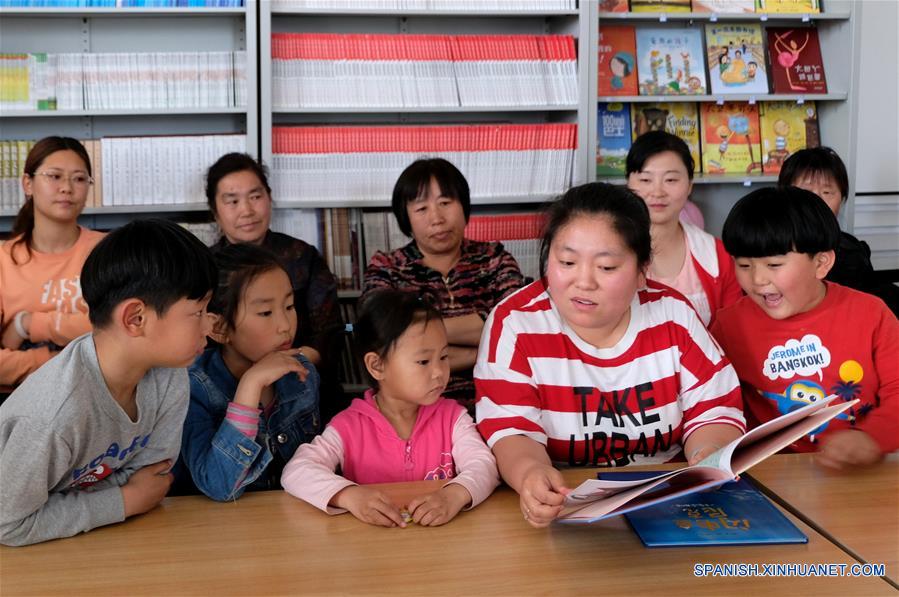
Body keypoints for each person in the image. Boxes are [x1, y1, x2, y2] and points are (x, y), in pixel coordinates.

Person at [475, 183, 745, 529]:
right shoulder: (515, 324)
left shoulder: (673, 315)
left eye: (606, 267)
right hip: (566, 504)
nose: (583, 281)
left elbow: (714, 410)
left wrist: (708, 457)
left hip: (671, 501)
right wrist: (531, 474)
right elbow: (512, 430)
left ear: (642, 268)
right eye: (567, 261)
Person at [0, 219, 217, 546]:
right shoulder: (54, 416)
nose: (210, 326)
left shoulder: (169, 373)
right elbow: (10, 523)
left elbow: (152, 478)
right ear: (136, 319)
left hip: (93, 541)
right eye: (198, 312)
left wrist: (99, 500)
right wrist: (124, 500)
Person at [711, 187, 898, 470]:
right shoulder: (728, 325)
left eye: (774, 264)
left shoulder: (872, 314)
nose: (758, 278)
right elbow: (713, 405)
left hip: (862, 471)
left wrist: (871, 439)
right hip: (772, 475)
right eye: (744, 264)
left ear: (821, 263)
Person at [282, 289, 499, 528]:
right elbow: (297, 471)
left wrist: (455, 494)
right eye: (424, 361)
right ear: (377, 366)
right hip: (373, 550)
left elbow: (484, 465)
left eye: (444, 356)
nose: (439, 372)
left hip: (440, 548)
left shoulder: (453, 418)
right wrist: (348, 496)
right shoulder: (349, 426)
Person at [362, 158, 525, 411]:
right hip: (415, 410)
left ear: (463, 206)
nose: (436, 218)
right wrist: (480, 352)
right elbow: (380, 337)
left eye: (445, 203)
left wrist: (418, 339)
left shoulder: (495, 259)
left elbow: (518, 330)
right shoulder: (387, 267)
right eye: (421, 209)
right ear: (406, 218)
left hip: (496, 402)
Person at [175, 243, 320, 500]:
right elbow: (219, 486)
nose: (285, 325)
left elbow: (314, 469)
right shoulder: (191, 387)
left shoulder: (302, 372)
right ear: (219, 328)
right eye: (265, 312)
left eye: (289, 306)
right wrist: (251, 384)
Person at [205, 153, 344, 420]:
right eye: (232, 201)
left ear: (269, 198)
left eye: (255, 197)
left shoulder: (302, 255)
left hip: (304, 379)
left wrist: (288, 363)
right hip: (226, 388)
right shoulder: (203, 268)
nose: (246, 210)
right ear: (215, 212)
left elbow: (330, 331)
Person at [0, 137, 105, 388]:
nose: (67, 188)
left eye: (79, 178)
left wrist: (28, 324)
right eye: (54, 176)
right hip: (18, 404)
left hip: (97, 397)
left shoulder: (108, 251)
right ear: (28, 183)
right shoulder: (4, 260)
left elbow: (122, 333)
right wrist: (54, 361)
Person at [626, 131, 742, 327]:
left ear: (689, 186)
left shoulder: (718, 255)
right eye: (645, 180)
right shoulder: (607, 252)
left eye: (671, 180)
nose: (657, 192)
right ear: (628, 183)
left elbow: (732, 330)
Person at [778, 147, 899, 316]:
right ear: (784, 195)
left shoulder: (853, 250)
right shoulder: (769, 248)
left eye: (827, 192)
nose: (817, 200)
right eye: (805, 191)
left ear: (841, 199)